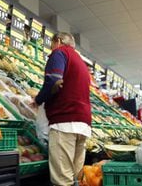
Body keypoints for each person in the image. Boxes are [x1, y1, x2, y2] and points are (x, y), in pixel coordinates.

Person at [32, 32, 92, 186]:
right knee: (76, 177)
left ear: (57, 41)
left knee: (62, 180)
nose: (50, 48)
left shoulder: (59, 52)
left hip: (65, 122)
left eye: (51, 44)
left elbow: (53, 79)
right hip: (83, 124)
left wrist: (38, 100)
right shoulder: (80, 61)